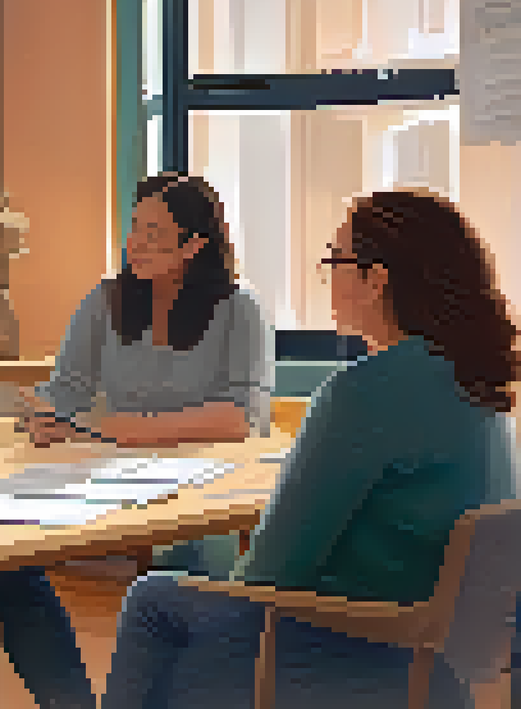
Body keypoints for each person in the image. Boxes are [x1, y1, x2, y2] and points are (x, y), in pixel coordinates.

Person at [102, 187, 519, 709]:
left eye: (335, 259)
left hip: (365, 651)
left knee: (153, 599)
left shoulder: (362, 393)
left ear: (375, 280)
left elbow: (270, 574)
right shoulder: (482, 386)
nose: (328, 275)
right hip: (447, 658)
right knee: (193, 589)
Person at [0, 172, 273, 709]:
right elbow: (68, 388)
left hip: (207, 485)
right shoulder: (107, 300)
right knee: (10, 568)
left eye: (155, 232)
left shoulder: (238, 308)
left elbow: (240, 417)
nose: (136, 241)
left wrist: (127, 431)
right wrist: (45, 415)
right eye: (134, 227)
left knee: (188, 566)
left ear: (194, 243)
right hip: (114, 476)